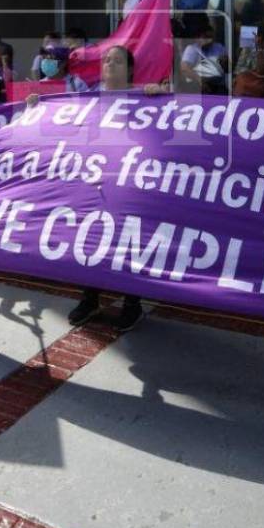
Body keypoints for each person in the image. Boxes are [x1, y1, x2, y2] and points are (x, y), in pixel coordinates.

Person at [67, 45, 147, 332]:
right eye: (106, 60)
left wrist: (158, 93)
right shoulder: (89, 98)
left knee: (128, 240)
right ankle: (90, 298)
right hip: (95, 180)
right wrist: (37, 105)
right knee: (91, 239)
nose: (110, 64)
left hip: (129, 181)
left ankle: (132, 304)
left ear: (130, 69)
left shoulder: (145, 98)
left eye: (117, 61)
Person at [180, 25, 228, 95]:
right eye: (206, 37)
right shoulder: (192, 49)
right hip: (196, 86)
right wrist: (199, 79)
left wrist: (225, 63)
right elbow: (185, 69)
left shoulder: (219, 47)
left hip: (217, 85)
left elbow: (228, 68)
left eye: (211, 37)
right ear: (197, 38)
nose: (210, 40)